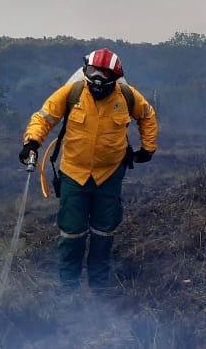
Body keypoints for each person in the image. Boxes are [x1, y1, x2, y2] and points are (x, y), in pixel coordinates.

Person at [18, 48, 158, 292]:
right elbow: (44, 117)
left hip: (110, 174)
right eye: (92, 75)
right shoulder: (72, 92)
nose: (97, 83)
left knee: (104, 231)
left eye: (104, 78)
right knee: (72, 231)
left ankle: (99, 286)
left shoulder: (126, 95)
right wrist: (31, 142)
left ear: (114, 79)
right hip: (74, 173)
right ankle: (68, 288)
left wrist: (148, 147)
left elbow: (146, 115)